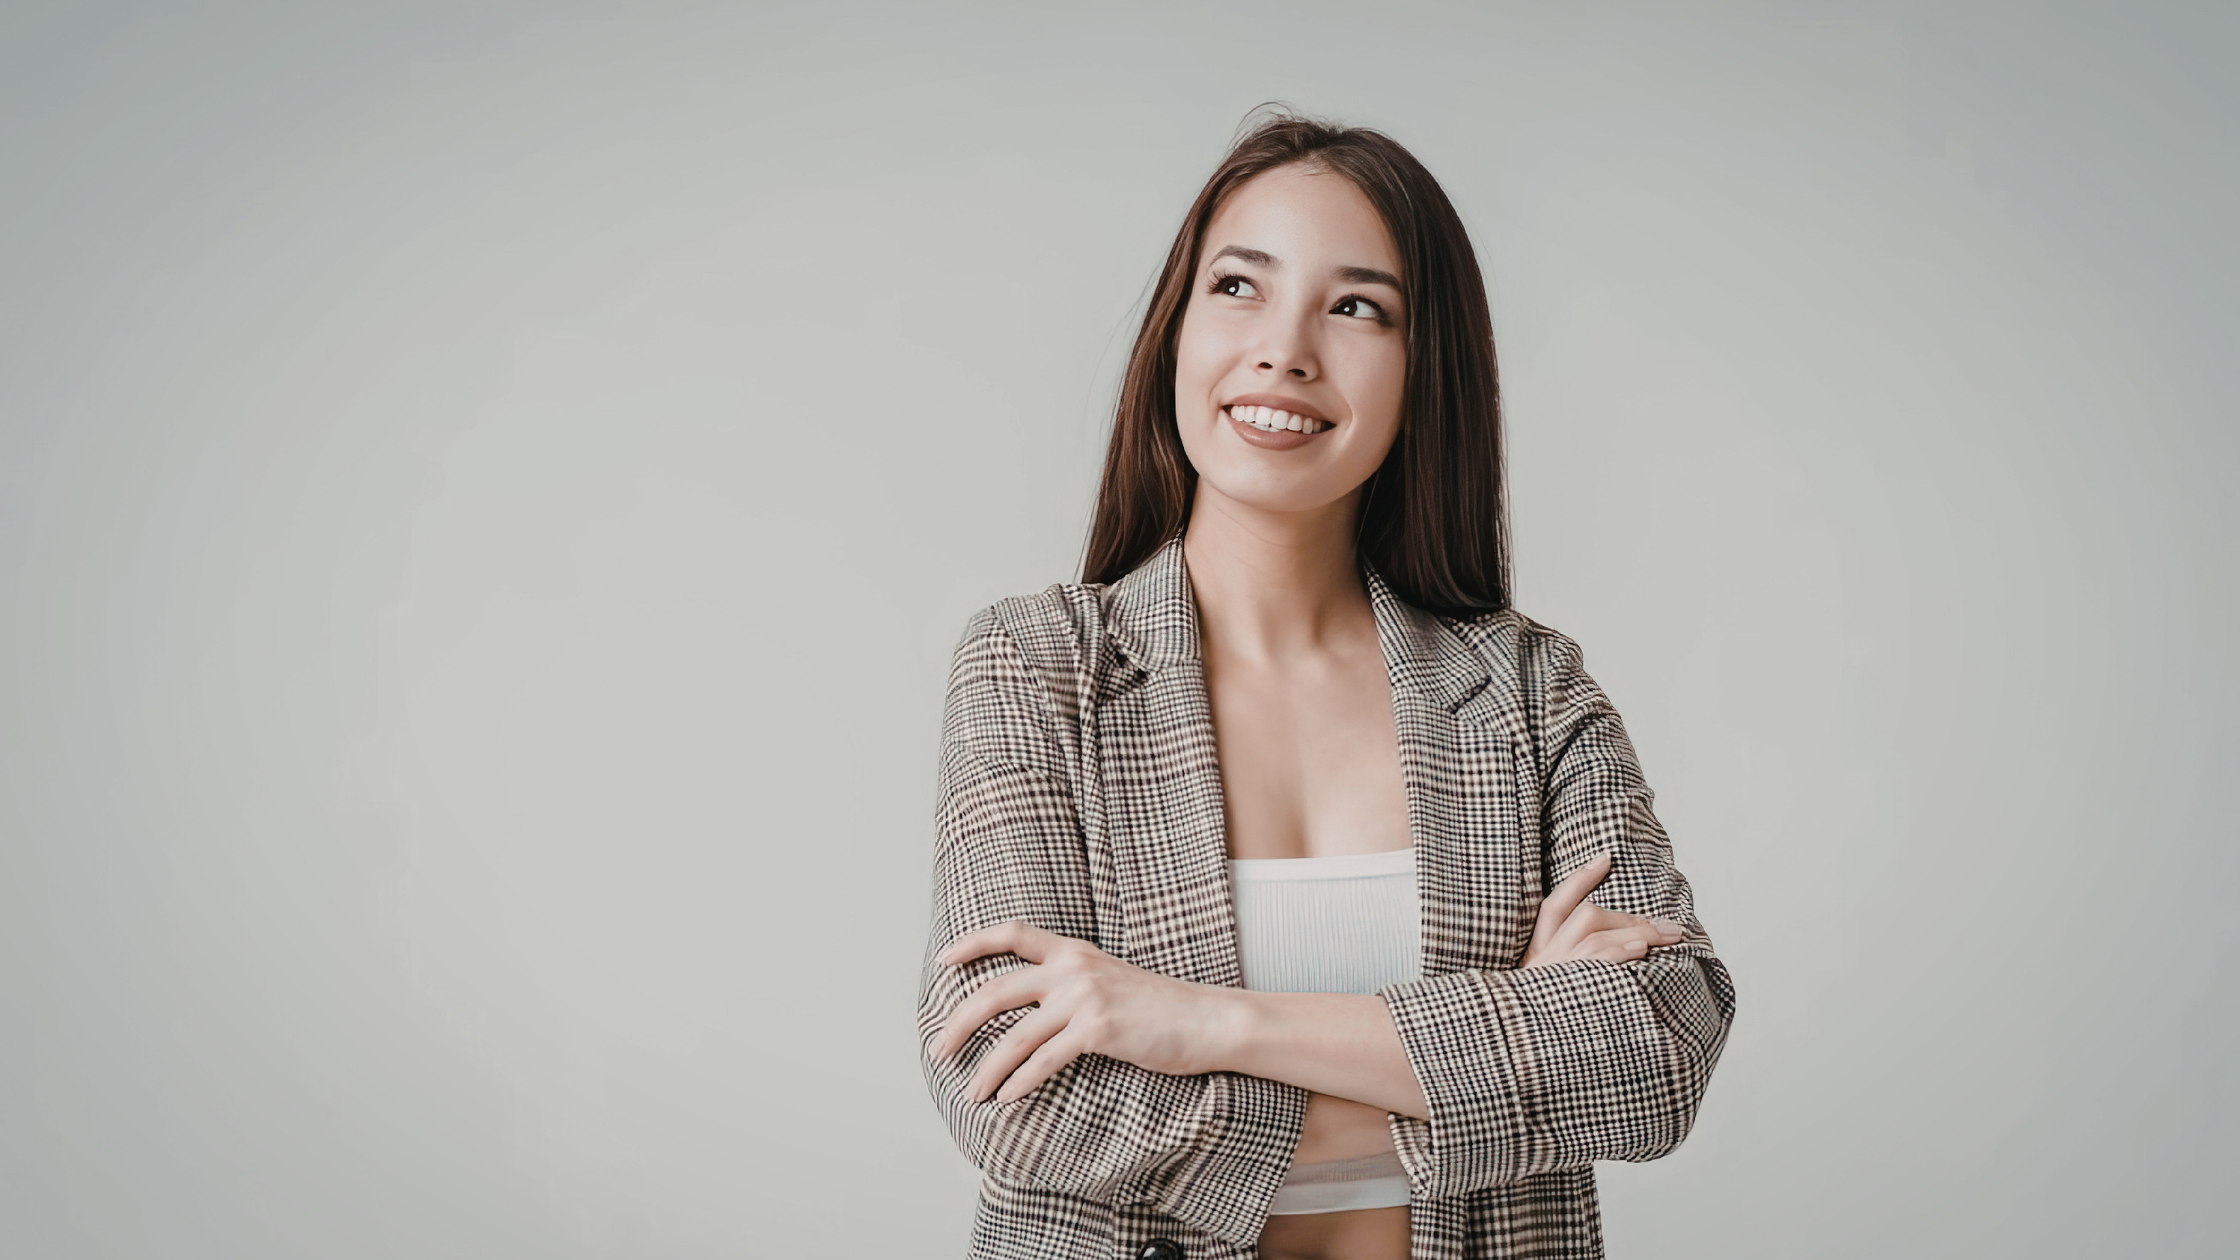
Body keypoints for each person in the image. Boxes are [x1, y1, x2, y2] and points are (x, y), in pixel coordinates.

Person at [917, 113, 1735, 1260]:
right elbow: (1020, 1097)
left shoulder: (1528, 690)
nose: (1283, 350)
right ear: (1175, 330)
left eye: (1355, 306)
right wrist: (1508, 1062)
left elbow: (1660, 1045)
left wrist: (1205, 1025)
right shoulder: (1040, 665)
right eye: (1237, 287)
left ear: (1423, 368)